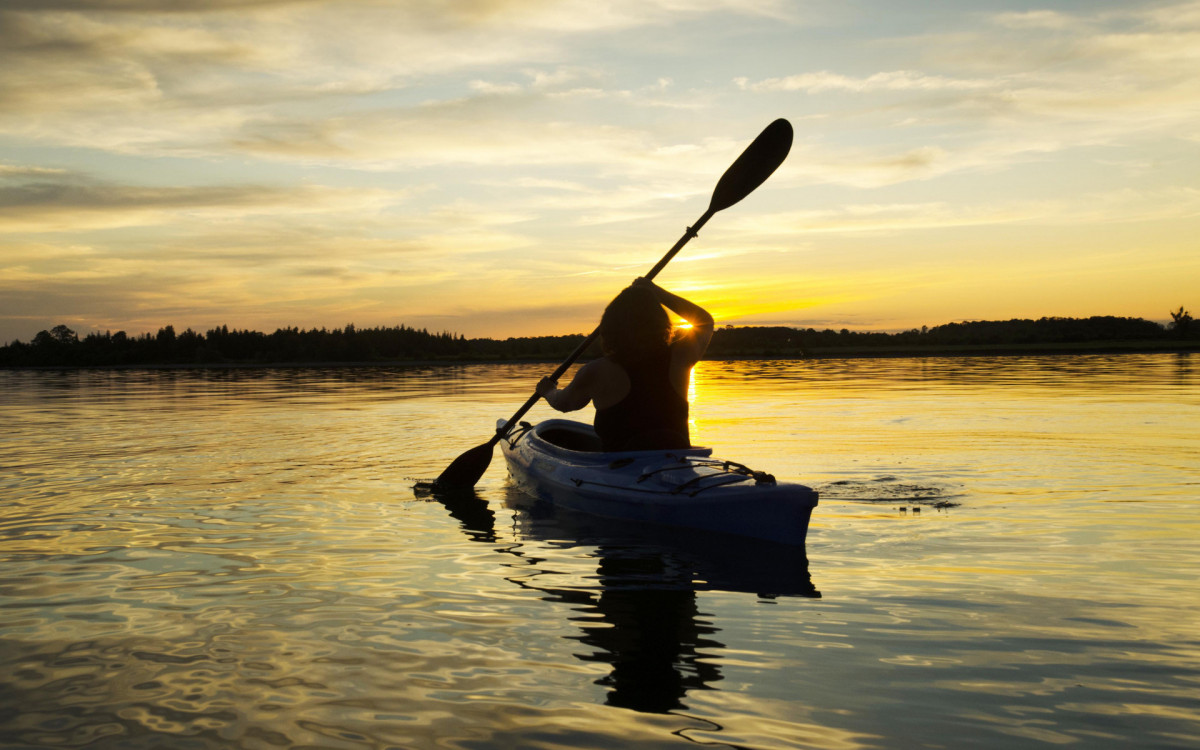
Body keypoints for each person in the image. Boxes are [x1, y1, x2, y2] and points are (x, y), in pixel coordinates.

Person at [536, 277, 714, 452]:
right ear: (661, 324)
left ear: (609, 328)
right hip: (679, 468)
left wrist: (548, 391)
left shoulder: (597, 371)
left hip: (621, 473)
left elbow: (564, 403)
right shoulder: (680, 358)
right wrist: (657, 293)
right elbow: (704, 322)